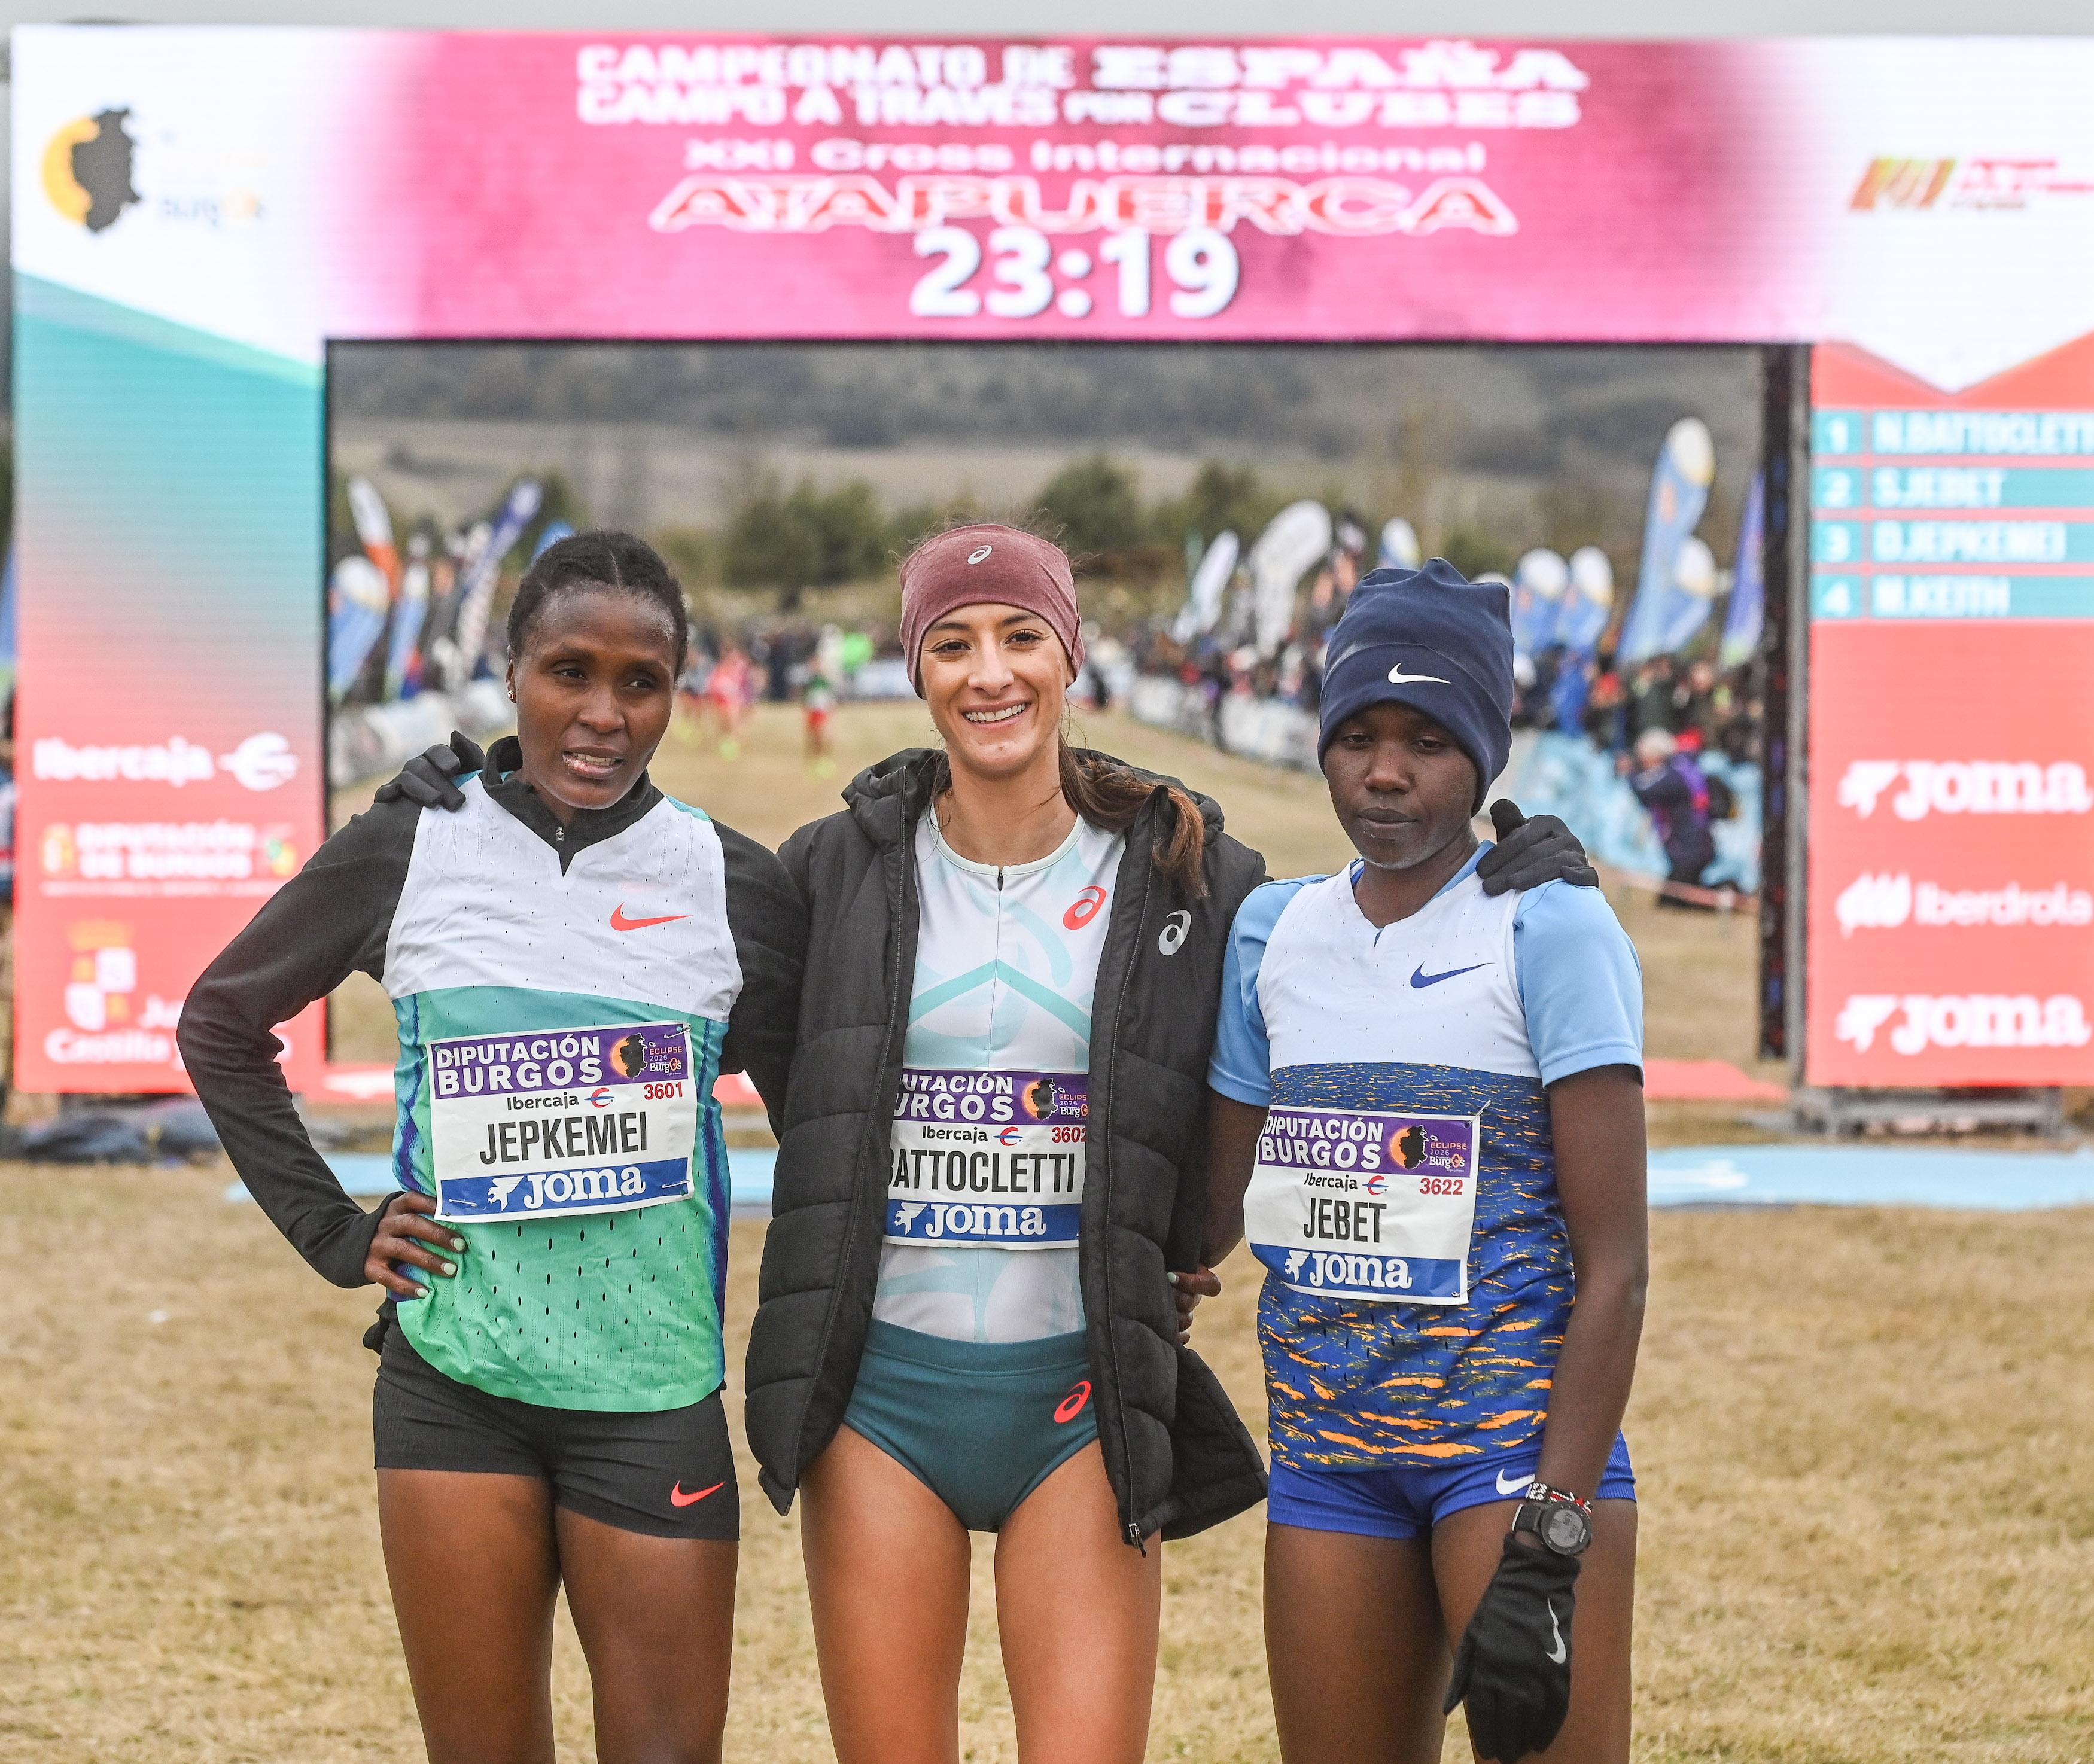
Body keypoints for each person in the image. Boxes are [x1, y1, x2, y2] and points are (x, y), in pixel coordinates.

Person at [377, 525, 1600, 1764]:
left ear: (1069, 653)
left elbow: (1349, 943)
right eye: (951, 643)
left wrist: (1510, 864)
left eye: (1021, 635)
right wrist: (470, 808)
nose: (989, 671)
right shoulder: (822, 872)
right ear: (916, 670)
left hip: (1081, 1406)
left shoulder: (1196, 876)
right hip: (881, 1402)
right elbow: (613, 932)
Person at [179, 532, 805, 1764]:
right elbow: (221, 1019)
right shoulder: (415, 841)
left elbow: (821, 1115)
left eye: (642, 681)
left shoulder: (732, 881)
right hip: (453, 1394)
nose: (603, 714)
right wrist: (334, 1231)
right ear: (508, 668)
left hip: (652, 1396)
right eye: (569, 670)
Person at [1198, 560, 1647, 1764]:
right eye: (1356, 734)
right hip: (1329, 1459)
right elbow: (1208, 1219)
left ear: (1486, 756)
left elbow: (1616, 1268)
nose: (1385, 771)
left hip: (1508, 1459)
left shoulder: (1548, 922)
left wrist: (1553, 1530)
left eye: (1429, 739)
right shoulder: (1272, 929)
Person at [1622, 726, 1717, 904]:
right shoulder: (1682, 768)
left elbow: (1645, 791)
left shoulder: (1672, 774)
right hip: (1696, 845)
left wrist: (1629, 772)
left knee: (1673, 901)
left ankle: (1726, 896)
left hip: (1690, 849)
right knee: (1679, 895)